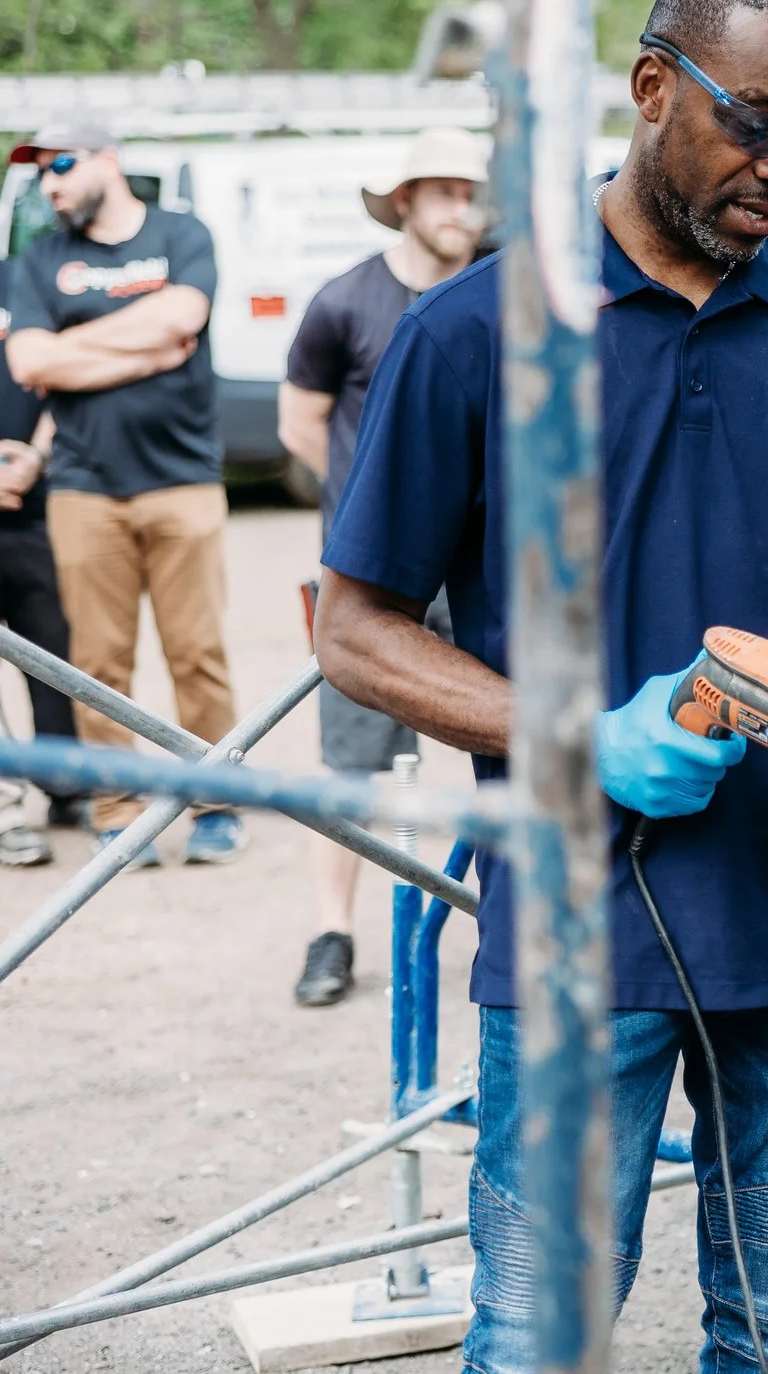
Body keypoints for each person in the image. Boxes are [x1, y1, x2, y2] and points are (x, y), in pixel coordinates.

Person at [313, 0, 768, 1374]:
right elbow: (352, 629)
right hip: (574, 926)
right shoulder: (482, 329)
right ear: (654, 84)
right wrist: (573, 734)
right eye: (755, 124)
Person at [276, 126, 487, 1005]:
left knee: (513, 740)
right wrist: (382, 518)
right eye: (445, 192)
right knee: (353, 767)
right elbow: (299, 422)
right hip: (369, 577)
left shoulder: (499, 293)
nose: (463, 210)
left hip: (476, 570)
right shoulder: (345, 300)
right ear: (404, 199)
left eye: (472, 193)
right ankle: (333, 933)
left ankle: (526, 924)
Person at [4, 119, 242, 865]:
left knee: (196, 653)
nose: (50, 183)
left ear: (109, 160)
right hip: (83, 489)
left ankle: (216, 801)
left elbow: (185, 317)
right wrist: (143, 350)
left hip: (183, 481)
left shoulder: (181, 232)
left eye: (62, 164)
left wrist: (72, 351)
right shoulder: (39, 258)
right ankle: (118, 811)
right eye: (40, 172)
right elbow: (29, 358)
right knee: (97, 664)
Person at [0, 222, 81, 869]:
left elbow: (68, 369)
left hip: (34, 502)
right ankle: (4, 812)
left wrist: (36, 454)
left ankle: (67, 784)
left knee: (55, 651)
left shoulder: (24, 276)